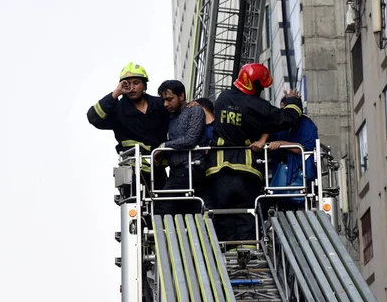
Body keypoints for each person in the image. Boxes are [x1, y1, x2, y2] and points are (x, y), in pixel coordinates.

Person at [205, 63, 303, 242]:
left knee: (223, 216)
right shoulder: (258, 107)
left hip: (217, 171)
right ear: (256, 86)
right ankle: (247, 257)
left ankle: (227, 258)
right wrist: (292, 100)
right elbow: (288, 118)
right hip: (246, 171)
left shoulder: (223, 98)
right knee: (247, 216)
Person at [87, 62, 169, 192]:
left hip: (158, 169)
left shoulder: (158, 104)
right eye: (127, 84)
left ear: (144, 85)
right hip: (132, 171)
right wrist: (116, 92)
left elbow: (178, 114)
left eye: (136, 83)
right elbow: (93, 117)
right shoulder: (117, 110)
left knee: (163, 208)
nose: (131, 88)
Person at [154, 80, 206, 215]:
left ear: (181, 96)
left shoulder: (195, 110)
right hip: (176, 171)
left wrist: (164, 146)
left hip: (191, 168)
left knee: (164, 206)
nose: (166, 104)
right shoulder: (171, 116)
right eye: (164, 100)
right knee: (186, 212)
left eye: (170, 99)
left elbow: (190, 139)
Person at [269, 96, 319, 208]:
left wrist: (281, 143)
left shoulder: (307, 124)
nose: (283, 111)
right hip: (280, 174)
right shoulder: (280, 125)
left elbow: (306, 148)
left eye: (285, 108)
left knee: (302, 207)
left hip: (301, 174)